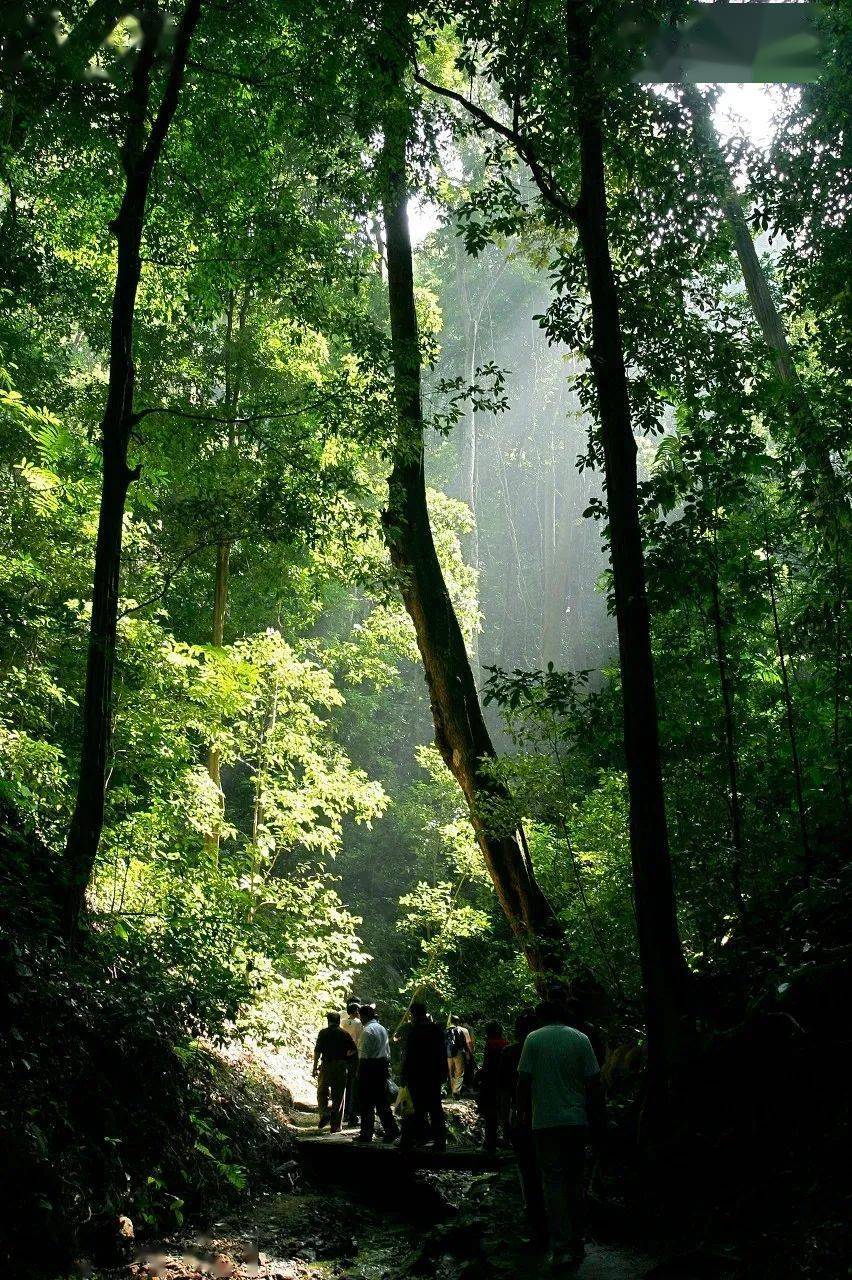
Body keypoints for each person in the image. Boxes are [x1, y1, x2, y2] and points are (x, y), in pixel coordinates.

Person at [518, 999, 605, 1269]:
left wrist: (521, 1115)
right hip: (576, 1121)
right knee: (574, 1179)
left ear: (541, 1017)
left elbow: (524, 1081)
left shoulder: (533, 1039)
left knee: (553, 1184)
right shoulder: (581, 1039)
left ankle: (561, 1247)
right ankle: (578, 1239)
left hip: (544, 1122)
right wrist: (598, 1119)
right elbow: (594, 1083)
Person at [498, 1010, 547, 1248]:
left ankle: (536, 1226)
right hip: (547, 1115)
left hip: (523, 1117)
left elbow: (506, 1090)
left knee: (527, 1173)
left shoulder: (511, 1052)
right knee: (548, 1171)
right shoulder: (544, 1048)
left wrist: (505, 1120)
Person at [398, 1002, 447, 1151]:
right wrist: (444, 1072)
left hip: (416, 1075)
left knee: (416, 1108)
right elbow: (442, 1052)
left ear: (413, 1014)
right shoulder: (436, 1029)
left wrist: (403, 1073)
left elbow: (409, 1055)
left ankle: (414, 1139)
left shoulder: (414, 1031)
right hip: (433, 1075)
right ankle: (439, 1141)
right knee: (435, 1107)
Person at [355, 1004, 399, 1144]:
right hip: (382, 1066)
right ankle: (392, 1130)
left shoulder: (367, 1031)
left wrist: (358, 1073)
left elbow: (363, 1055)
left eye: (361, 1016)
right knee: (382, 1102)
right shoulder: (381, 1028)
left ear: (365, 1016)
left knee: (366, 1103)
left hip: (369, 1068)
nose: (360, 1019)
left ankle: (366, 1134)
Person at [312, 1012, 357, 1133]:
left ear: (328, 1020)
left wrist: (314, 1067)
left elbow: (317, 1051)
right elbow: (353, 1049)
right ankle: (336, 1125)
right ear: (338, 1021)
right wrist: (347, 1057)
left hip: (326, 1064)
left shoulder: (323, 1033)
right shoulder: (344, 1033)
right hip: (341, 1065)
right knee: (339, 1095)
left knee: (322, 1092)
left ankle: (324, 1113)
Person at [478, 1020, 509, 1154]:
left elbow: (487, 1065)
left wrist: (480, 1077)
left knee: (490, 1114)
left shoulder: (490, 1044)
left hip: (490, 1083)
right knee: (505, 1113)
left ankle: (489, 1143)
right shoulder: (506, 1044)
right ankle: (507, 1141)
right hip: (505, 1083)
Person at [340, 999, 363, 1127]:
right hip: (354, 1056)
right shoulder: (358, 1024)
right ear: (356, 1012)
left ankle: (343, 1114)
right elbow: (360, 1040)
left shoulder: (342, 1022)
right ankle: (352, 1113)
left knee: (344, 1084)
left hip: (343, 1056)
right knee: (353, 1085)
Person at [445, 1014, 471, 1097]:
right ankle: (456, 1091)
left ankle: (452, 1090)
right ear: (457, 1022)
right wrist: (467, 1054)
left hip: (448, 1054)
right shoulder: (460, 1030)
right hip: (458, 1053)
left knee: (451, 1072)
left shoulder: (445, 1030)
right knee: (459, 1072)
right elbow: (464, 1044)